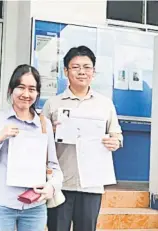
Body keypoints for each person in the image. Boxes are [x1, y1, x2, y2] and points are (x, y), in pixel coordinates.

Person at [42, 46, 123, 231]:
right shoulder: (53, 104)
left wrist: (115, 142)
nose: (81, 72)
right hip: (60, 182)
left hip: (92, 184)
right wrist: (51, 133)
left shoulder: (105, 104)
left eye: (87, 67)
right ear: (66, 71)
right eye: (75, 67)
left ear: (93, 72)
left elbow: (116, 134)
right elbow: (40, 141)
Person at [0, 64, 63, 231]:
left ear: (37, 93)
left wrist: (51, 187)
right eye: (21, 87)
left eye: (32, 89)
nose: (26, 94)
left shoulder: (43, 124)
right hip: (2, 204)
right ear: (11, 89)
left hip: (35, 207)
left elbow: (54, 167)